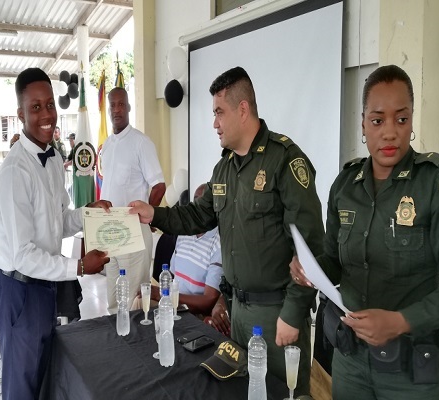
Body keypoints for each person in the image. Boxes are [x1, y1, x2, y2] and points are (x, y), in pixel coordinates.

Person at [129, 66, 323, 396]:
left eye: (219, 112)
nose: (214, 123)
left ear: (242, 110)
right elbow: (196, 216)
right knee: (242, 391)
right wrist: (154, 214)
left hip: (276, 312)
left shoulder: (284, 161)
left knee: (281, 393)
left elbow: (310, 245)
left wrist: (293, 313)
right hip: (237, 312)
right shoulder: (224, 169)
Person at [290, 64, 439, 399]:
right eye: (377, 121)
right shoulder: (345, 186)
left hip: (411, 373)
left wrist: (400, 321)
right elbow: (334, 261)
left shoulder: (434, 183)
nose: (390, 132)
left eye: (401, 119)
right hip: (350, 363)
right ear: (363, 123)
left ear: (411, 121)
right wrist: (310, 269)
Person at [0, 67, 111, 400]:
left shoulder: (55, 158)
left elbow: (58, 221)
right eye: (35, 107)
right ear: (20, 114)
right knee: (21, 389)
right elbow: (23, 255)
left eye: (49, 105)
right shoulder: (14, 172)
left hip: (46, 286)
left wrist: (89, 214)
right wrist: (80, 267)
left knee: (45, 381)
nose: (46, 115)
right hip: (18, 290)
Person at [101, 87, 166, 314]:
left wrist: (145, 217)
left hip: (134, 233)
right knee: (113, 301)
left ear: (128, 107)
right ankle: (115, 335)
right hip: (111, 233)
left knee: (134, 304)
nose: (117, 110)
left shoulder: (141, 142)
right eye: (112, 105)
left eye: (121, 104)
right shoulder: (107, 146)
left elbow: (159, 185)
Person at [138, 184, 223, 317]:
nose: (198, 207)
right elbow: (172, 277)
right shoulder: (184, 233)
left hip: (194, 314)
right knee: (137, 303)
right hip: (172, 305)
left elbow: (208, 302)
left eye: (203, 203)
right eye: (195, 202)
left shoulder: (219, 243)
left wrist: (162, 294)